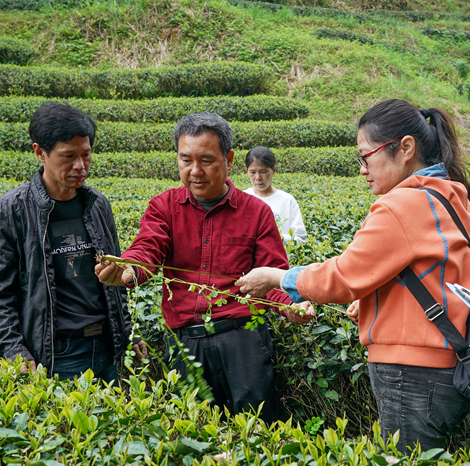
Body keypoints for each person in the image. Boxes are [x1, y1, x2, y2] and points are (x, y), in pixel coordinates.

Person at [238, 99, 470, 454]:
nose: (362, 170)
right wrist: (373, 303)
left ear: (406, 148)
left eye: (366, 157)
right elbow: (433, 274)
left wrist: (277, 278)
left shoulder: (402, 205)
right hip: (443, 364)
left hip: (409, 371)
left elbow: (343, 276)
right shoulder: (450, 194)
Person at [95, 112, 314, 421]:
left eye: (206, 161)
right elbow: (149, 247)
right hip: (186, 342)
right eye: (186, 161)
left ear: (229, 159)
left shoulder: (256, 213)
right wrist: (130, 270)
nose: (194, 172)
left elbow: (271, 274)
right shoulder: (164, 207)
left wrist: (291, 306)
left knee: (256, 431)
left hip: (244, 342)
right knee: (194, 436)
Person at [0, 101, 144, 381]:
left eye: (86, 155)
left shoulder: (97, 204)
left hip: (107, 347)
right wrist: (14, 349)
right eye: (68, 156)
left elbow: (114, 280)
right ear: (39, 152)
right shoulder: (9, 211)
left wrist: (127, 331)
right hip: (58, 352)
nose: (80, 166)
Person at [245, 146, 307, 244]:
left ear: (274, 170)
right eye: (252, 172)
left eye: (263, 171)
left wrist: (281, 238)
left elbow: (301, 239)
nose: (258, 177)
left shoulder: (287, 200)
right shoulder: (242, 198)